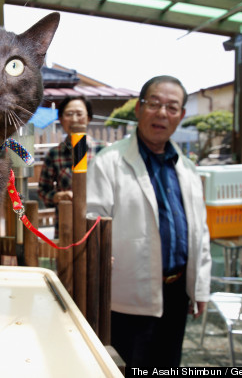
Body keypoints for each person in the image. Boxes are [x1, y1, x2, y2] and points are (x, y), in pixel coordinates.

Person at [86, 76, 211, 367]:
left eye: (172, 107)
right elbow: (91, 220)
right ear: (139, 109)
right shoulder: (109, 162)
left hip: (177, 292)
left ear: (181, 116)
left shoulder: (188, 168)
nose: (162, 113)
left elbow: (200, 233)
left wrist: (200, 286)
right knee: (130, 365)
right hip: (129, 291)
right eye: (154, 104)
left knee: (168, 364)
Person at [38, 96, 105, 236]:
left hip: (97, 227)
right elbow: (43, 191)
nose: (74, 119)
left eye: (79, 114)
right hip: (65, 227)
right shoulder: (54, 154)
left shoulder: (103, 150)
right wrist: (59, 196)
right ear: (61, 119)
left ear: (89, 118)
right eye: (69, 114)